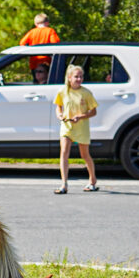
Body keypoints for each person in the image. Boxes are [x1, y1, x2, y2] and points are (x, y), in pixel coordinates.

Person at [53, 64, 98, 194]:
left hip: (81, 127)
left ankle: (92, 179)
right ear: (69, 78)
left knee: (84, 154)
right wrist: (59, 115)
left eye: (81, 76)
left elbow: (94, 111)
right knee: (64, 152)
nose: (79, 79)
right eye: (76, 77)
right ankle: (64, 184)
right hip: (67, 127)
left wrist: (81, 116)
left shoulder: (86, 93)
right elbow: (58, 106)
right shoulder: (63, 91)